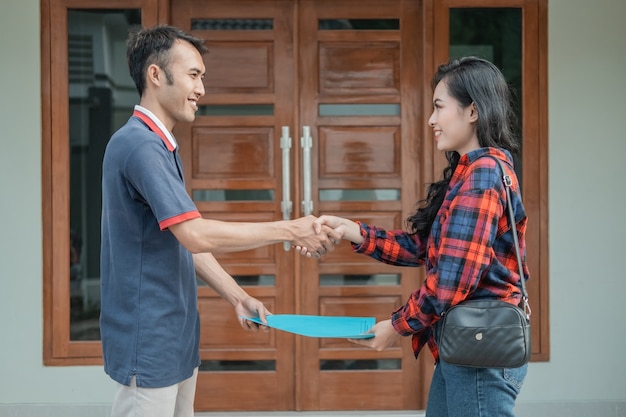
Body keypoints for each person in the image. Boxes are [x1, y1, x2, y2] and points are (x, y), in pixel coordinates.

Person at [100, 25, 337, 417]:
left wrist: (237, 296)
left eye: (202, 78)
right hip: (149, 338)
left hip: (175, 335)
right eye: (193, 75)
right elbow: (194, 234)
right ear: (155, 76)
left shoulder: (159, 145)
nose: (201, 89)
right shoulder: (140, 145)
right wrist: (291, 228)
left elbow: (180, 238)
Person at [308, 57, 529, 416]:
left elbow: (452, 279)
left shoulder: (483, 175)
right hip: (467, 346)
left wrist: (396, 326)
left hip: (480, 353)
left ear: (472, 111)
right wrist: (356, 232)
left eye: (439, 107)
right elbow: (427, 249)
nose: (431, 119)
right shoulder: (472, 171)